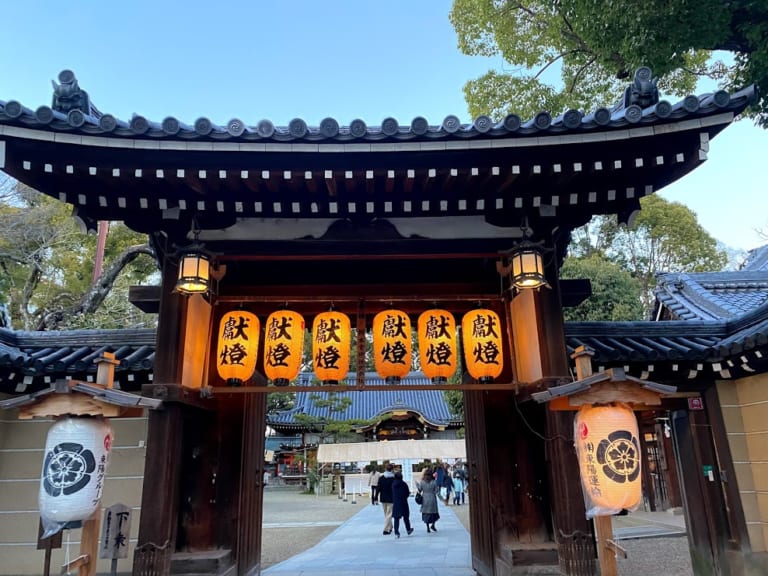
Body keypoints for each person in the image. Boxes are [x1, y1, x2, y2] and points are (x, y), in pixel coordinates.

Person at [416, 467, 440, 533]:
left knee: (426, 513)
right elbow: (436, 491)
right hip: (432, 498)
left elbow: (419, 490)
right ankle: (433, 525)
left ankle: (427, 528)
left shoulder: (422, 482)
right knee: (434, 513)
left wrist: (417, 485)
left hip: (425, 498)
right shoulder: (434, 482)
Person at [391, 471, 414, 538]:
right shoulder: (404, 484)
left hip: (396, 502)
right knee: (406, 517)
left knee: (396, 518)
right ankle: (408, 529)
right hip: (403, 502)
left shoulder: (393, 485)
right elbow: (407, 493)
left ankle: (396, 532)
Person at [377, 463, 396, 535]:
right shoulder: (393, 478)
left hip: (383, 498)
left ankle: (389, 527)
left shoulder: (381, 478)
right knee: (389, 514)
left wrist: (375, 497)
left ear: (385, 469)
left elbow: (378, 488)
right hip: (391, 498)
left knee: (386, 514)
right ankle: (386, 529)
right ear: (392, 469)